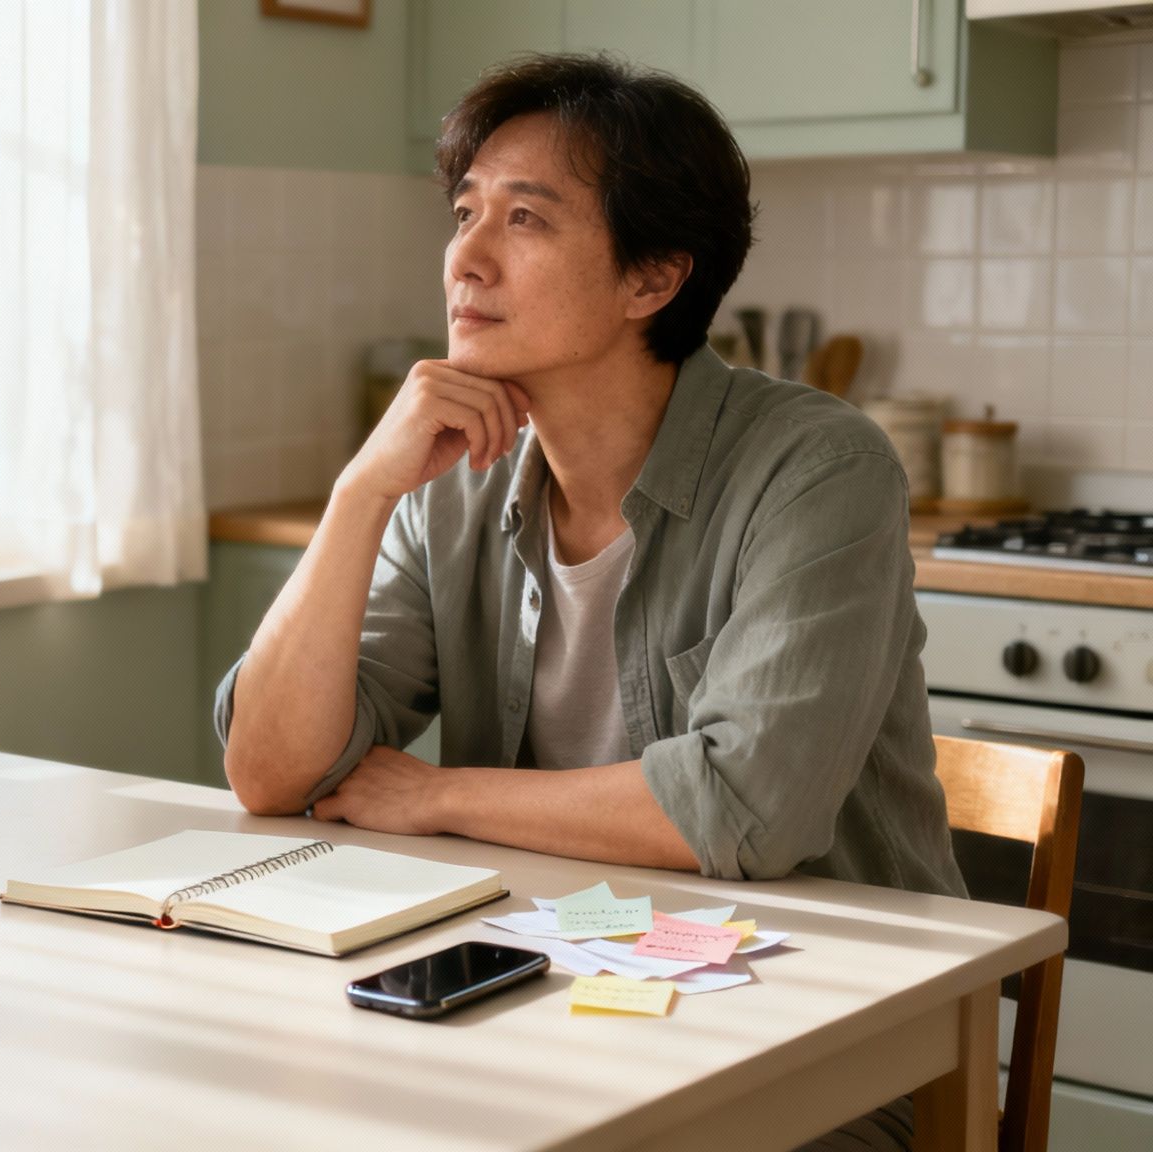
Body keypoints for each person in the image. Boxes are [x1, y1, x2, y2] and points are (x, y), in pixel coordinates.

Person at [216, 51, 963, 1152]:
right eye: (464, 212)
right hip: (554, 999)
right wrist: (357, 491)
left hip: (821, 1036)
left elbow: (739, 813)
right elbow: (270, 770)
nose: (464, 259)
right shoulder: (448, 481)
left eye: (523, 220)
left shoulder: (817, 468)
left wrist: (433, 796)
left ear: (650, 279)